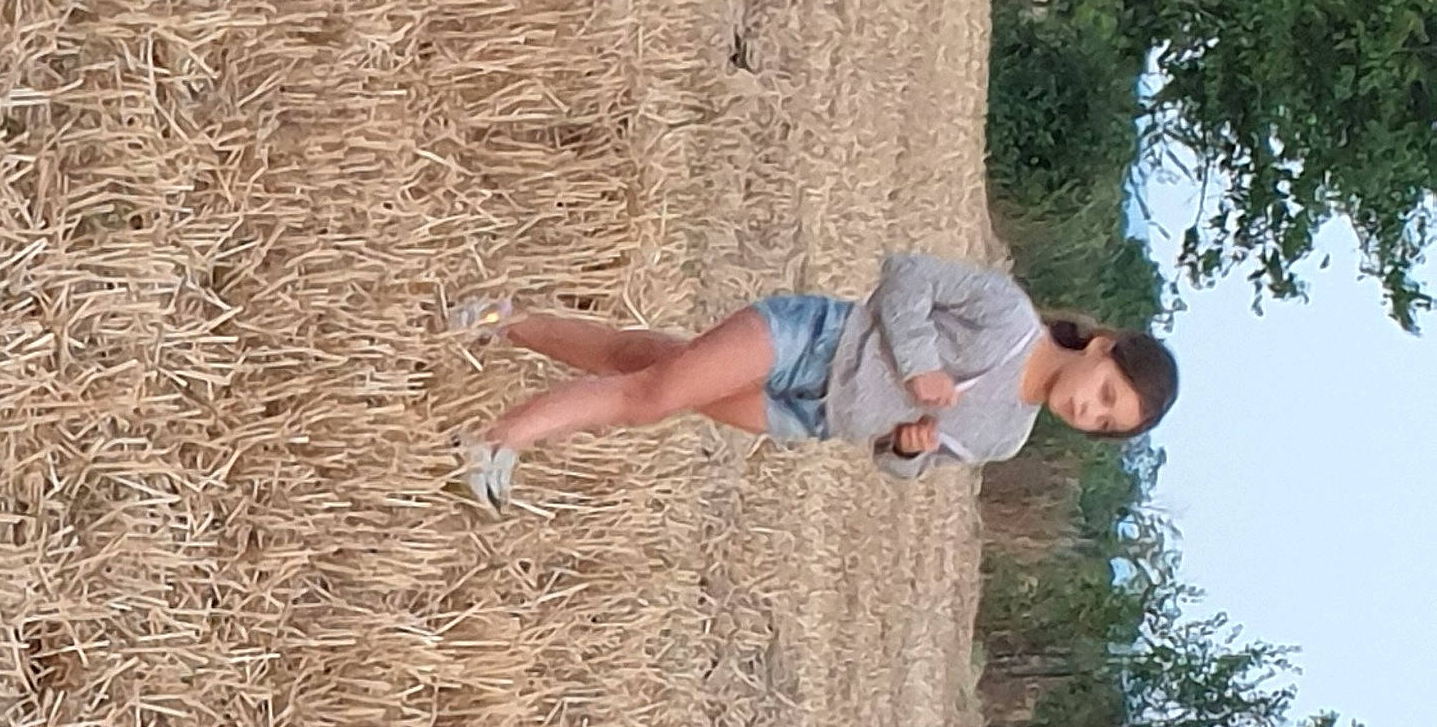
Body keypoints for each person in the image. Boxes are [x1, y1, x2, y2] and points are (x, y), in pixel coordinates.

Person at [453, 252, 1179, 509]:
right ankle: (496, 439)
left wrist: (910, 447)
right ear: (1103, 348)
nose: (1089, 411)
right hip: (811, 340)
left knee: (639, 364)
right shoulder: (1007, 314)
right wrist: (921, 362)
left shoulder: (1007, 436)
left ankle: (500, 319)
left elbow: (899, 467)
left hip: (811, 418)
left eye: (1104, 424)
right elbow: (905, 274)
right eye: (1106, 394)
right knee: (651, 399)